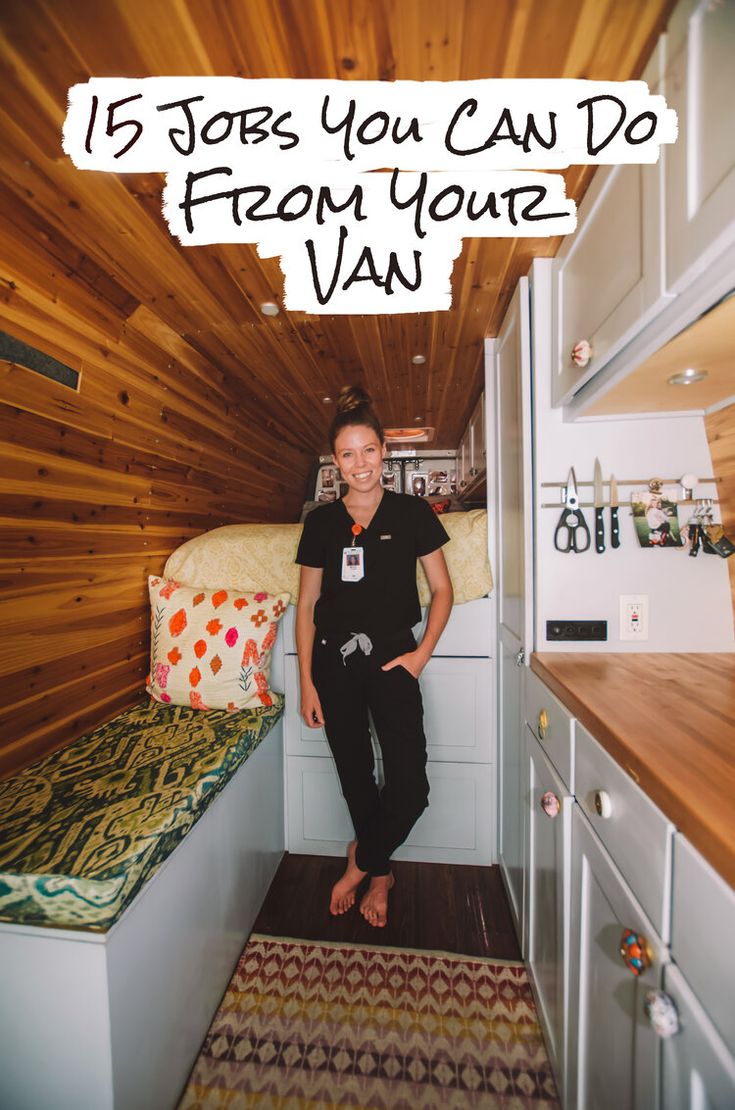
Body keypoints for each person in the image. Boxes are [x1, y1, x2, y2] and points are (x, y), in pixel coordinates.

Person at [295, 386, 454, 928]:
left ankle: (360, 860)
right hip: (331, 663)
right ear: (334, 461)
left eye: (368, 450)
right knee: (356, 774)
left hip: (393, 659)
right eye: (347, 453)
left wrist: (420, 657)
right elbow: (308, 604)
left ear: (384, 451)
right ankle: (381, 877)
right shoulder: (320, 522)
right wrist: (308, 683)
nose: (359, 464)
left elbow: (443, 591)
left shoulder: (413, 513)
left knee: (411, 787)